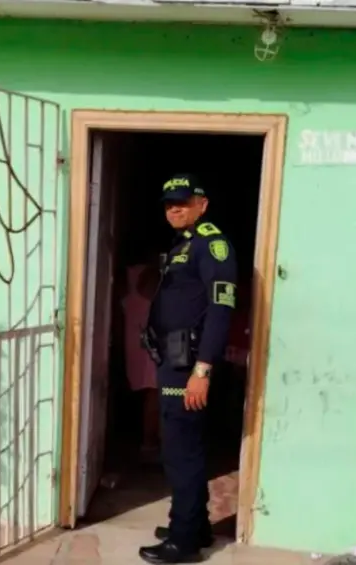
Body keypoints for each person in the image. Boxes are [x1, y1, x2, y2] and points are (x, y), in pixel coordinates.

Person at [139, 173, 237, 564]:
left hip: (189, 364)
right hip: (173, 361)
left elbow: (220, 308)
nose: (174, 208)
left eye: (181, 201)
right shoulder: (184, 244)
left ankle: (184, 542)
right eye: (168, 203)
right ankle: (193, 525)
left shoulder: (212, 246)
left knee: (183, 452)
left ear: (202, 203)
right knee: (180, 447)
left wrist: (203, 369)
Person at [122, 261, 162, 459]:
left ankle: (142, 438)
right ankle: (149, 441)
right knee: (153, 392)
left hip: (132, 335)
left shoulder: (125, 273)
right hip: (146, 339)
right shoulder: (151, 273)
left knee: (143, 391)